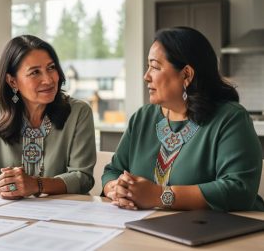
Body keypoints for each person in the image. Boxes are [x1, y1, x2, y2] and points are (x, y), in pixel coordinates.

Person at [102, 26, 264, 211]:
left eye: (154, 67)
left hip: (221, 233)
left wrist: (159, 196)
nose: (146, 76)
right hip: (148, 230)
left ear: (186, 74)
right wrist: (115, 189)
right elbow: (113, 171)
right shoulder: (142, 118)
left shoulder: (231, 119)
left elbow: (238, 189)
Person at [0, 35, 96, 199]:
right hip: (10, 214)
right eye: (35, 72)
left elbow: (83, 178)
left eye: (51, 68)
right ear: (12, 81)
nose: (48, 79)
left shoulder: (79, 112)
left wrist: (36, 185)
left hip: (65, 214)